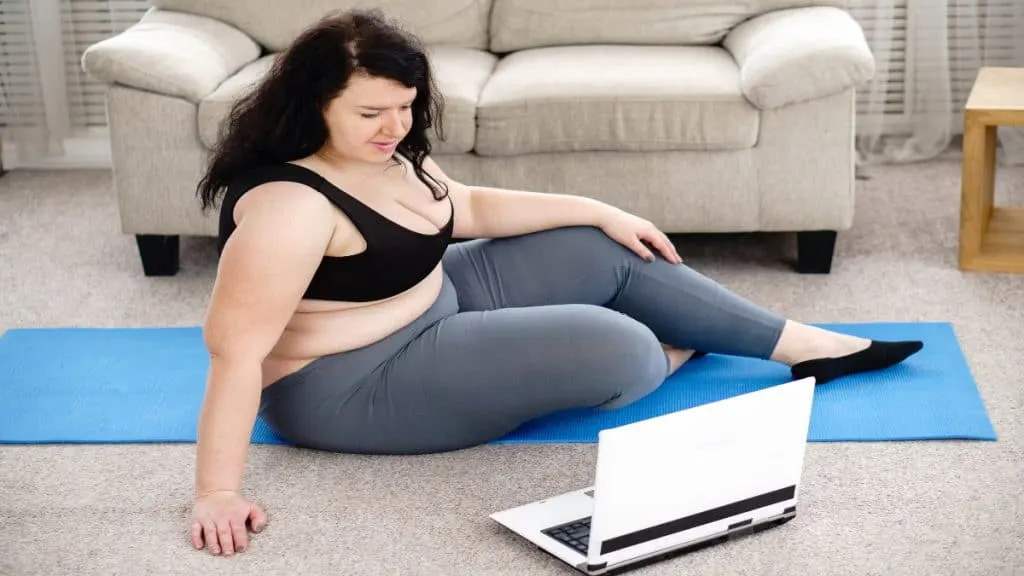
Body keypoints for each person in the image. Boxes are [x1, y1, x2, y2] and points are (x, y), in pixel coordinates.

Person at [187, 8, 923, 557]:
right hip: (352, 383)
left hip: (433, 298)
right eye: (371, 112)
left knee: (594, 245)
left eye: (405, 106)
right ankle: (677, 345)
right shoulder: (290, 208)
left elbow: (465, 206)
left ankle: (805, 347)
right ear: (313, 108)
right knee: (623, 351)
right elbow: (234, 353)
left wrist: (602, 209)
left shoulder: (389, 151)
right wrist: (217, 491)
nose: (394, 126)